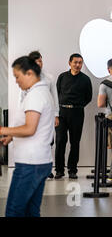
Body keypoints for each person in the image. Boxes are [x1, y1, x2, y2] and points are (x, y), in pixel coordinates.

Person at [0, 56, 54, 217]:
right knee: (31, 211)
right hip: (40, 161)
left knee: (14, 211)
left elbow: (30, 128)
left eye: (17, 76)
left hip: (30, 163)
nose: (16, 81)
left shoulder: (35, 95)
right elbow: (35, 126)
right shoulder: (41, 92)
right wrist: (11, 135)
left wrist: (3, 129)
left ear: (29, 73)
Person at [55, 53, 92, 179]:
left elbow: (89, 97)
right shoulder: (62, 77)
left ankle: (72, 170)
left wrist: (78, 105)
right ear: (69, 63)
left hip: (77, 113)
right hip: (62, 112)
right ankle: (59, 170)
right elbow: (57, 94)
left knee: (75, 142)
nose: (77, 65)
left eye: (80, 62)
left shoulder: (85, 79)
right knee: (60, 141)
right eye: (75, 62)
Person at [28, 51, 59, 179]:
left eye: (40, 61)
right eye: (36, 62)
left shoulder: (49, 77)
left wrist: (56, 115)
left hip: (47, 115)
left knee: (47, 143)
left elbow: (54, 97)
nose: (39, 63)